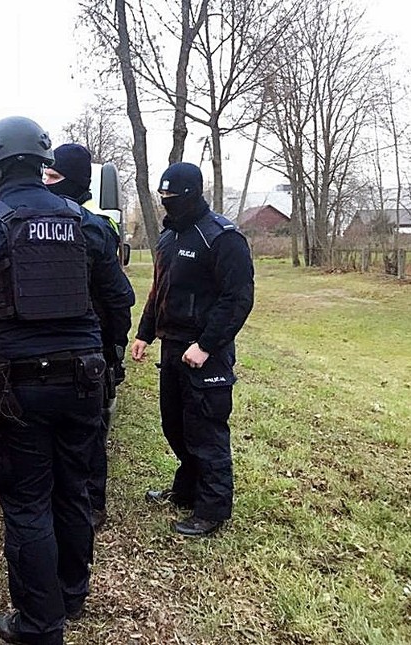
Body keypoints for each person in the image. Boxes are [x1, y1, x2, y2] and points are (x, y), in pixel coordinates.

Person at [0, 117, 133, 645]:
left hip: (18, 392)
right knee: (74, 489)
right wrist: (108, 361)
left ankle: (40, 624)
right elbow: (119, 302)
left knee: (27, 502)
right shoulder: (86, 225)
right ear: (43, 165)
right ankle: (72, 593)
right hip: (84, 381)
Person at [130, 162, 254, 537]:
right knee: (175, 425)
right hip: (171, 347)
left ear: (192, 194)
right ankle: (186, 490)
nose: (166, 204)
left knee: (206, 431)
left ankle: (212, 509)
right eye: (162, 198)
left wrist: (206, 345)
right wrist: (144, 333)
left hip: (206, 352)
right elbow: (160, 292)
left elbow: (237, 299)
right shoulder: (169, 238)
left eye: (172, 198)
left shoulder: (221, 238)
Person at [44, 143, 135, 531]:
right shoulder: (41, 222)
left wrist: (114, 349)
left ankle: (92, 503)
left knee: (89, 435)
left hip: (87, 347)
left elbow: (120, 298)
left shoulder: (96, 227)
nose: (45, 183)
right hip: (53, 350)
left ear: (72, 180)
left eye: (52, 177)